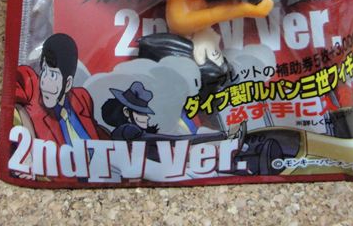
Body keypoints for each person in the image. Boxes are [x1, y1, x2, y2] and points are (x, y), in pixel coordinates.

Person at [101, 81, 241, 156]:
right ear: (126, 112)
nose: (147, 118)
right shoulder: (128, 131)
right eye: (142, 113)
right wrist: (221, 135)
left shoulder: (134, 131)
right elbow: (174, 140)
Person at [14, 33, 105, 146]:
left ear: (68, 84)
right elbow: (13, 84)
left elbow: (97, 133)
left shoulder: (82, 98)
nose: (44, 81)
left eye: (53, 75)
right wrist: (24, 119)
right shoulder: (33, 88)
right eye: (43, 70)